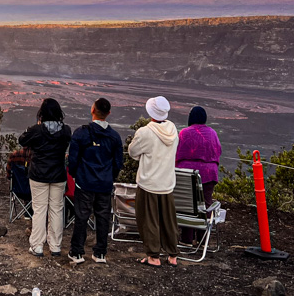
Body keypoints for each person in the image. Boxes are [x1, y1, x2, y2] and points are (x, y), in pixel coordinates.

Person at [67, 98, 124, 264]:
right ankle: (100, 253)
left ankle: (77, 252)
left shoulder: (81, 133)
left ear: (93, 110)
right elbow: (118, 163)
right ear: (109, 113)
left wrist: (76, 174)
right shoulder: (114, 136)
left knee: (81, 216)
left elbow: (73, 159)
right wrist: (109, 177)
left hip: (85, 182)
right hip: (104, 183)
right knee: (103, 217)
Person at [129, 96, 179, 267]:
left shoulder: (145, 132)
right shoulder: (173, 130)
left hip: (149, 183)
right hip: (167, 183)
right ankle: (172, 255)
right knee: (169, 221)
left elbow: (132, 152)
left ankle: (153, 256)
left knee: (148, 221)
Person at [19, 98, 72, 258]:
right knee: (57, 210)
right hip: (58, 175)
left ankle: (37, 246)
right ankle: (55, 246)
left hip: (39, 174)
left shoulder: (37, 130)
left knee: (40, 210)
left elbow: (22, 140)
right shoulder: (66, 130)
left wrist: (36, 125)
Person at [175, 105, 221, 244]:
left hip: (185, 173)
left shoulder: (184, 133)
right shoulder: (212, 133)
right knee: (205, 205)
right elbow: (218, 151)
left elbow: (177, 152)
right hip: (208, 174)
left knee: (187, 203)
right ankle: (202, 240)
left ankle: (186, 239)